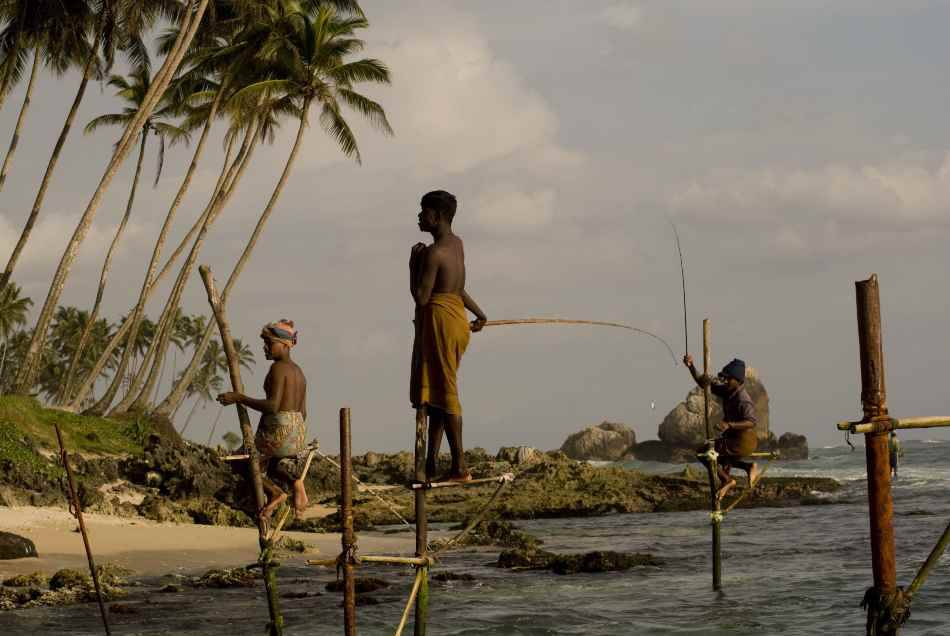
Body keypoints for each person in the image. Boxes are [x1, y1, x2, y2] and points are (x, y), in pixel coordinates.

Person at [409, 190, 487, 482]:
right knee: (438, 393)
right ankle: (430, 465)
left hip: (441, 322)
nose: (419, 216)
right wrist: (480, 314)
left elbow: (421, 297)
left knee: (447, 392)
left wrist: (413, 266)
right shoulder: (457, 245)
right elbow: (458, 288)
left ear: (437, 216)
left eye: (423, 211)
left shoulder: (433, 253)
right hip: (457, 319)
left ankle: (458, 467)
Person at [218, 320, 309, 522]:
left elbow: (272, 406)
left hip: (279, 427)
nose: (265, 348)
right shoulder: (299, 372)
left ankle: (276, 494)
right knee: (276, 464)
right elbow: (302, 411)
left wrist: (238, 398)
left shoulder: (278, 368)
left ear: (284, 345)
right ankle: (296, 483)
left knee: (243, 462)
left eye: (269, 343)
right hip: (298, 431)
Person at [683, 354, 761, 502]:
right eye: (724, 377)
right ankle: (748, 467)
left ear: (737, 381)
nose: (725, 380)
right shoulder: (728, 391)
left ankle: (727, 480)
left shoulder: (743, 399)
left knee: (703, 452)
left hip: (742, 441)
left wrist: (728, 424)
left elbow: (751, 421)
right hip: (736, 440)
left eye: (728, 378)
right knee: (722, 460)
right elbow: (704, 383)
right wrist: (691, 366)